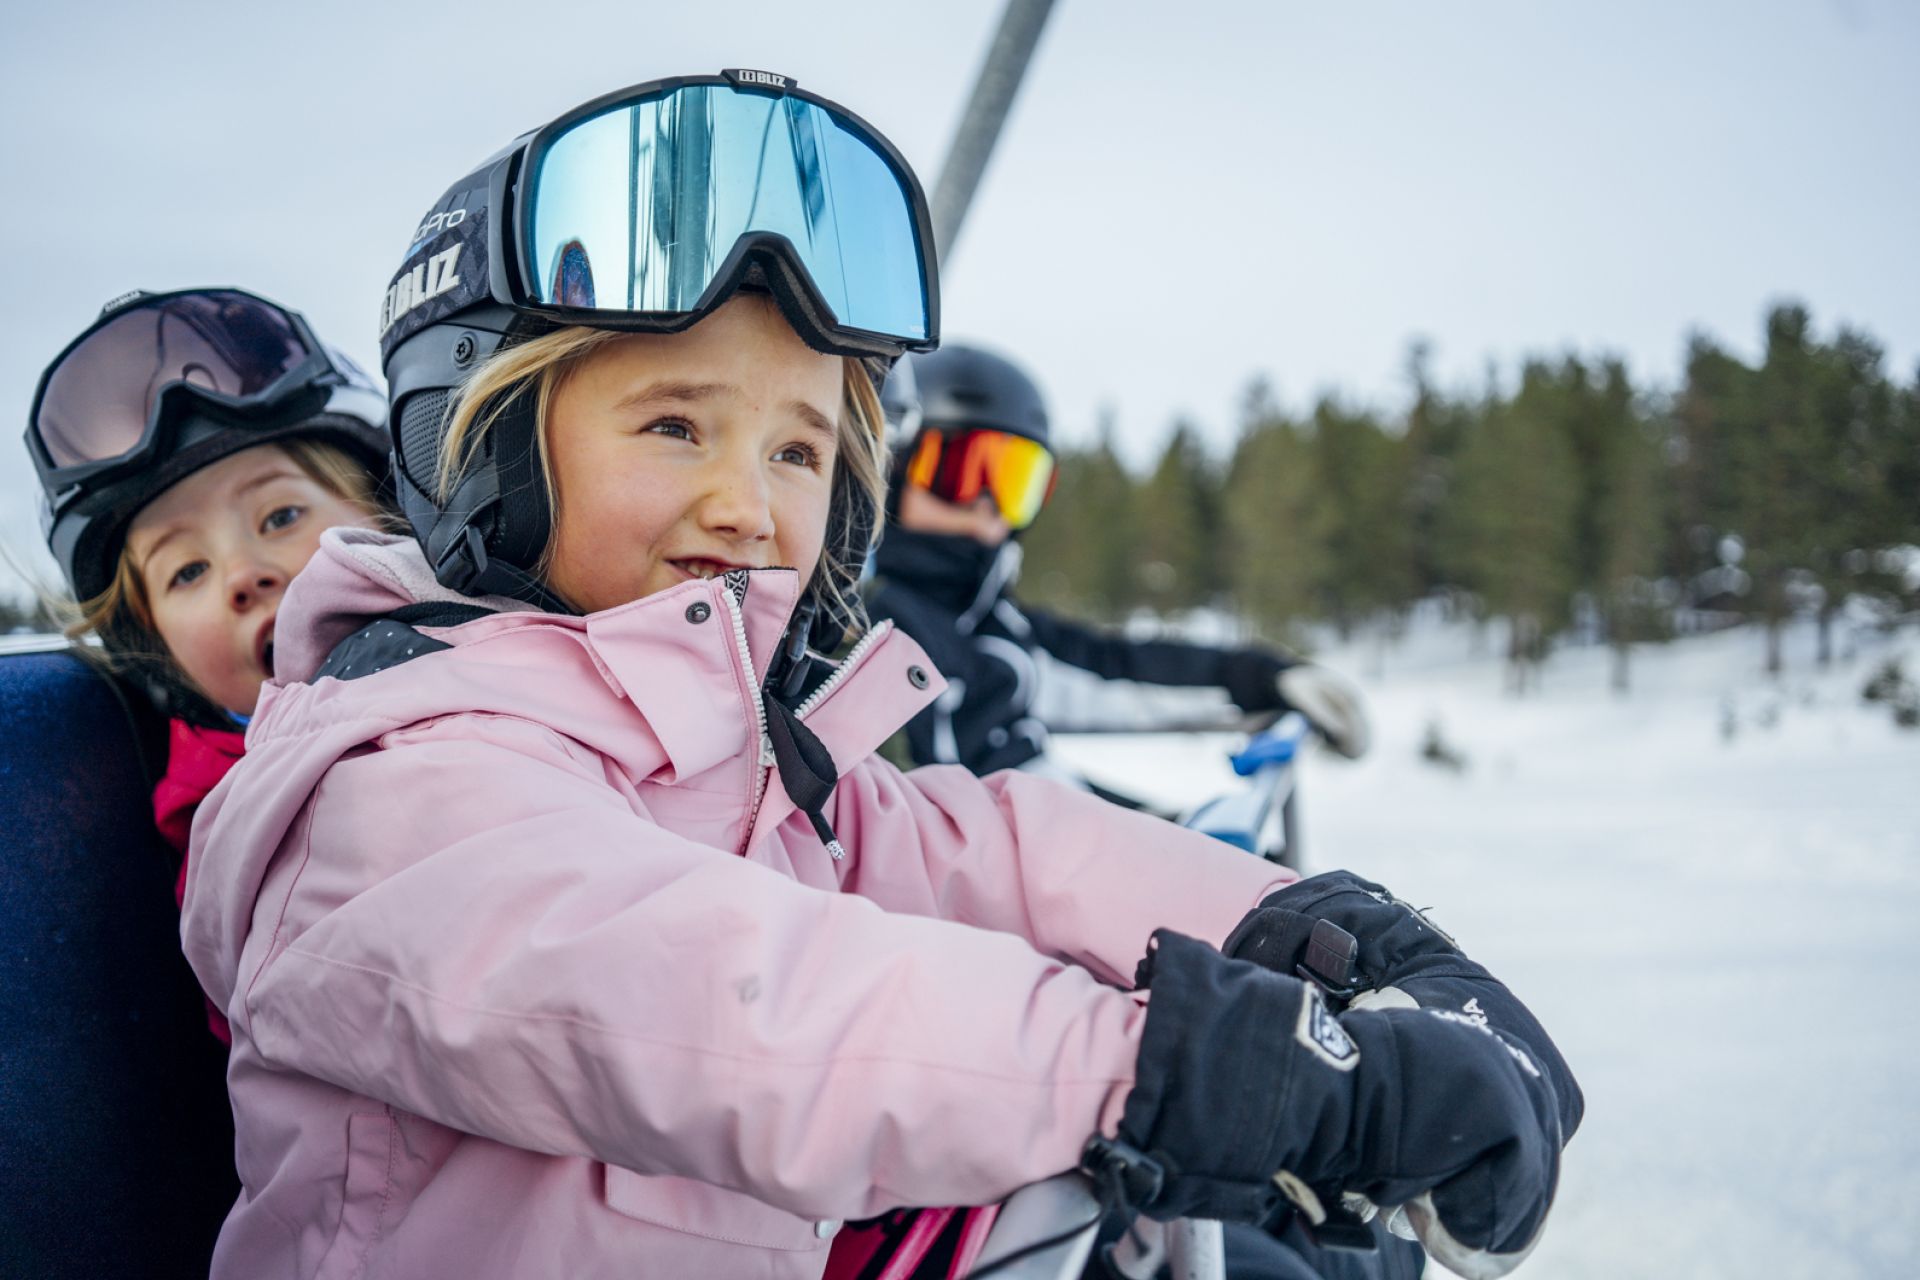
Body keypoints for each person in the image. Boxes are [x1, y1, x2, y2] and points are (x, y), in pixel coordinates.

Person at [178, 72, 1578, 1279]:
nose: (749, 505)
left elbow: (987, 848)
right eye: (675, 423)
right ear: (478, 448)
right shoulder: (394, 785)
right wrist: (1192, 1071)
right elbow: (736, 1009)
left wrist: (1318, 931)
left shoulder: (738, 753)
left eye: (798, 451)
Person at [27, 287, 391, 1041]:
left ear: (388, 511)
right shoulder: (244, 840)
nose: (243, 574)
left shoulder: (531, 654)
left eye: (281, 516)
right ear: (158, 654)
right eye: (186, 571)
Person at [868, 344, 1370, 794]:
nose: (987, 506)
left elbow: (1114, 668)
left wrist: (1259, 676)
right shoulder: (867, 623)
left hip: (1048, 841)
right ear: (893, 466)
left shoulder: (995, 623)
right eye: (960, 472)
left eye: (1012, 481)